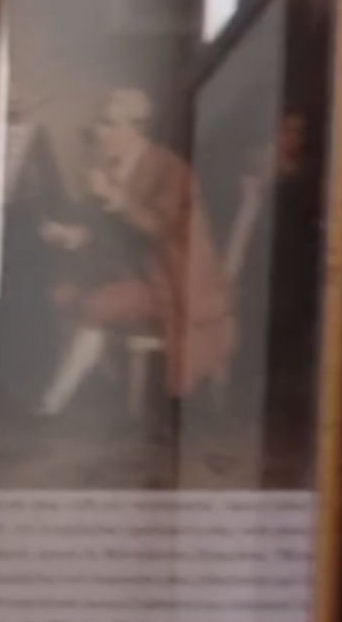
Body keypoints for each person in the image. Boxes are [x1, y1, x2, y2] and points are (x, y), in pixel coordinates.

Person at [36, 86, 235, 419]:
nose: (100, 132)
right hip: (129, 272)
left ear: (137, 128)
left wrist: (114, 197)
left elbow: (161, 228)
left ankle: (55, 401)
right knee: (60, 294)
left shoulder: (170, 168)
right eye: (100, 123)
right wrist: (71, 236)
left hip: (173, 280)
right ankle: (102, 386)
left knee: (99, 304)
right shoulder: (108, 167)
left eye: (110, 124)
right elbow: (106, 234)